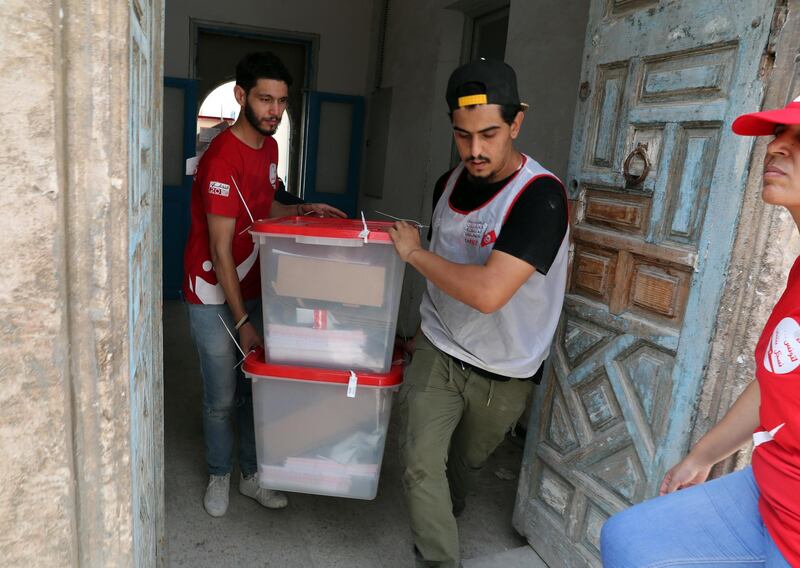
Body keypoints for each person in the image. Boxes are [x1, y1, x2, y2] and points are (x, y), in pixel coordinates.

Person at [600, 97, 800, 567]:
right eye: (779, 135)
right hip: (771, 492)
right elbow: (779, 380)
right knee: (630, 540)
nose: (777, 149)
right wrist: (703, 455)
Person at [387, 59, 570, 567]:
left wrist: (415, 253)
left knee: (461, 466)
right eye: (462, 135)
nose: (474, 150)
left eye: (489, 133)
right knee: (421, 462)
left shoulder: (542, 198)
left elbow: (490, 292)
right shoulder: (448, 183)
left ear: (517, 122)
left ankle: (447, 507)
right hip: (440, 344)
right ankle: (440, 557)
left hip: (503, 369)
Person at [182, 51, 344, 518]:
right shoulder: (220, 158)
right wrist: (244, 320)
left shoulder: (271, 149)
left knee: (257, 390)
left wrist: (301, 208)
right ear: (240, 96)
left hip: (254, 286)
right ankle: (219, 474)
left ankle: (252, 476)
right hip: (212, 293)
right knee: (222, 398)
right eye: (265, 99)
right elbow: (219, 247)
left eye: (282, 101)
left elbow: (261, 208)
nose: (274, 110)